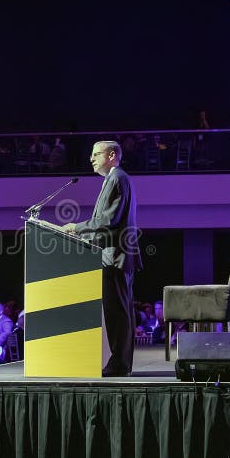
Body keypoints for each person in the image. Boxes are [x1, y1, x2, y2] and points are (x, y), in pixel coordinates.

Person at [62, 140, 141, 377]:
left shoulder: (118, 179)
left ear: (112, 155)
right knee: (119, 312)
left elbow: (107, 221)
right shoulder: (115, 179)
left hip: (115, 257)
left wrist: (76, 227)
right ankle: (120, 363)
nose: (91, 159)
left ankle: (119, 364)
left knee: (117, 313)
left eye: (96, 154)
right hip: (114, 255)